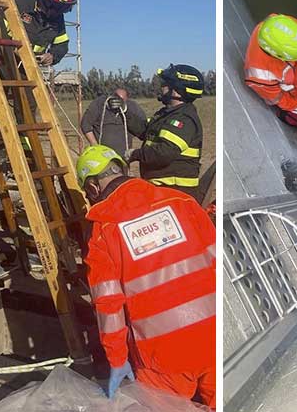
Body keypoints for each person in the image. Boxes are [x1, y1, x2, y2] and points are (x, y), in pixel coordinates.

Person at [77, 145, 215, 408]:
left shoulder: (104, 230)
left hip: (162, 356)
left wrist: (117, 360)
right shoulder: (182, 202)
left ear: (94, 188)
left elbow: (108, 305)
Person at [126, 65, 204, 195]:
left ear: (176, 91)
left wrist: (134, 154)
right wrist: (124, 112)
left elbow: (163, 153)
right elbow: (147, 131)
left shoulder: (183, 119)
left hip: (174, 190)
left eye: (165, 84)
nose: (162, 87)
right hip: (161, 187)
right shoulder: (168, 114)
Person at [14, 0, 75, 66]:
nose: (60, 13)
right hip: (5, 62)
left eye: (65, 9)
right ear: (46, 0)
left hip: (30, 68)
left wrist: (52, 56)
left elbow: (62, 44)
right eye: (60, 7)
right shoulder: (19, 4)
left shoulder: (57, 19)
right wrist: (12, 47)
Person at [80, 88, 146, 157]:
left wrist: (125, 110)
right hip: (102, 156)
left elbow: (143, 127)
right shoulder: (99, 104)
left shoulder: (132, 106)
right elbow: (85, 124)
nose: (117, 101)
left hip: (123, 157)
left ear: (126, 99)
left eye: (121, 100)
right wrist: (94, 144)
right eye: (116, 97)